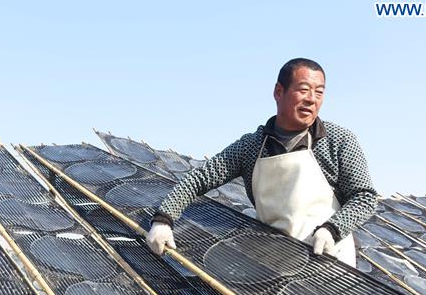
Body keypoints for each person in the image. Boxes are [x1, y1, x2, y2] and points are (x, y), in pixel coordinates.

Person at [146, 58, 378, 267]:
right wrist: (164, 219)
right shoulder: (253, 146)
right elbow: (199, 179)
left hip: (329, 259)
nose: (312, 100)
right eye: (304, 90)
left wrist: (332, 230)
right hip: (273, 260)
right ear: (279, 91)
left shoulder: (338, 140)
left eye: (319, 92)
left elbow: (365, 197)